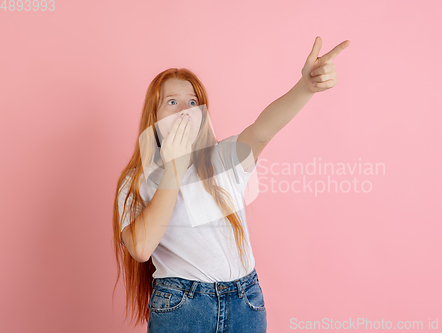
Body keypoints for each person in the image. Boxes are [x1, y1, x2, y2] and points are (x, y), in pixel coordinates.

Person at [111, 37, 350, 332]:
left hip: (244, 302)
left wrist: (305, 88)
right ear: (154, 115)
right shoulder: (136, 181)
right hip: (182, 307)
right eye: (172, 102)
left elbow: (262, 130)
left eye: (193, 102)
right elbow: (141, 248)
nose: (185, 110)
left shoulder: (222, 159)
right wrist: (174, 168)